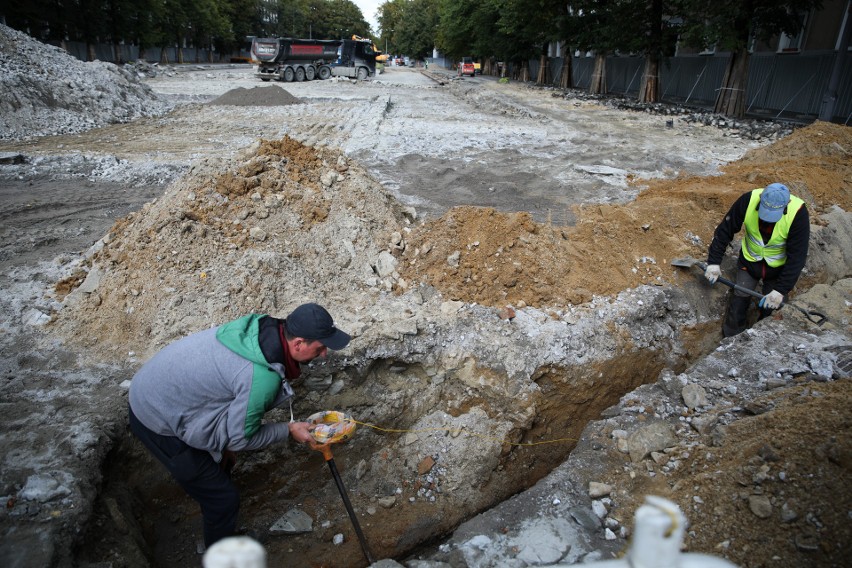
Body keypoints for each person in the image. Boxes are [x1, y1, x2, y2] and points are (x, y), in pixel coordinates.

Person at [128, 303, 351, 548]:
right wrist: (287, 429)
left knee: (221, 465)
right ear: (298, 343)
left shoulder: (259, 330)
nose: (324, 355)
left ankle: (217, 528)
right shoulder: (261, 377)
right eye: (320, 348)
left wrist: (226, 446)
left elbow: (229, 396)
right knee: (223, 499)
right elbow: (239, 438)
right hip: (154, 415)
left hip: (161, 389)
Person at [704, 183, 810, 337]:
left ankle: (764, 337)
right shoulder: (748, 200)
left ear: (785, 206)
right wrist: (713, 263)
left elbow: (797, 257)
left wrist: (780, 290)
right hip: (750, 261)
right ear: (761, 200)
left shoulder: (797, 214)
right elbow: (724, 230)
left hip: (777, 269)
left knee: (773, 308)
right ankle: (731, 337)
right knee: (740, 298)